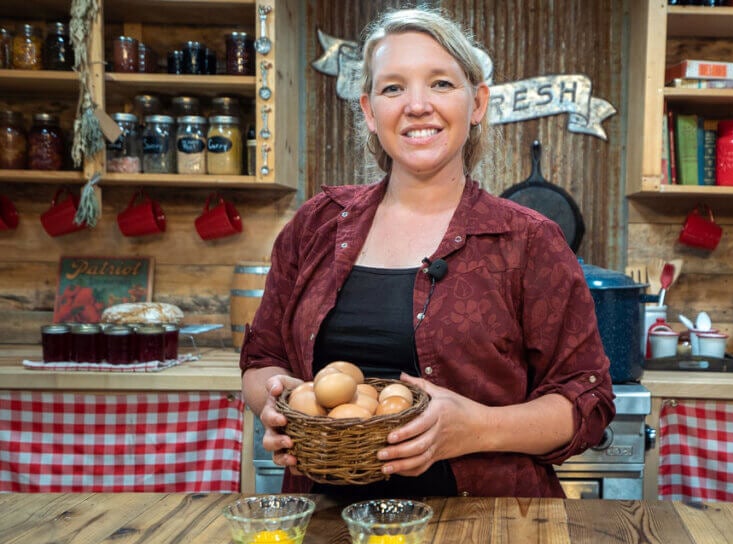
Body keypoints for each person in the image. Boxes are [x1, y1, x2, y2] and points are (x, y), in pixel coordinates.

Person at [240, 7, 614, 499]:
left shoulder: (527, 240)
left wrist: (476, 429)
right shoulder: (317, 225)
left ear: (476, 103)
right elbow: (263, 358)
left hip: (487, 534)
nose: (417, 105)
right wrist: (278, 405)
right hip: (324, 534)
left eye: (440, 83)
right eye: (393, 87)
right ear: (370, 111)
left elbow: (585, 401)